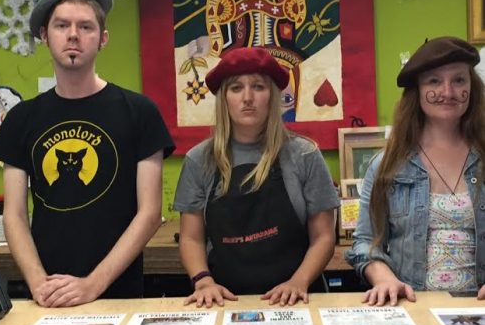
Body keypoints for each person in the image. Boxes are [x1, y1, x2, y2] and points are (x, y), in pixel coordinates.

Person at [0, 0, 175, 307]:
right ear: (45, 36)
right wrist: (38, 284)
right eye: (62, 25)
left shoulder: (140, 112)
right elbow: (15, 215)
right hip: (48, 295)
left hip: (120, 296)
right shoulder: (20, 119)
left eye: (85, 26)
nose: (73, 34)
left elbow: (149, 213)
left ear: (102, 39)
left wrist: (91, 285)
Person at [173, 47, 338, 308]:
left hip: (295, 300)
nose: (247, 97)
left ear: (272, 97)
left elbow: (324, 237)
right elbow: (191, 237)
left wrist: (298, 282)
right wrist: (203, 281)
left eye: (258, 87)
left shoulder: (304, 155)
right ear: (223, 98)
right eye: (236, 88)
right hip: (223, 300)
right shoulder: (199, 160)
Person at [346, 36, 485, 306]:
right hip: (412, 307)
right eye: (434, 81)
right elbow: (365, 243)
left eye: (459, 80)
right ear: (417, 91)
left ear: (472, 87)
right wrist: (384, 279)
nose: (448, 91)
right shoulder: (387, 165)